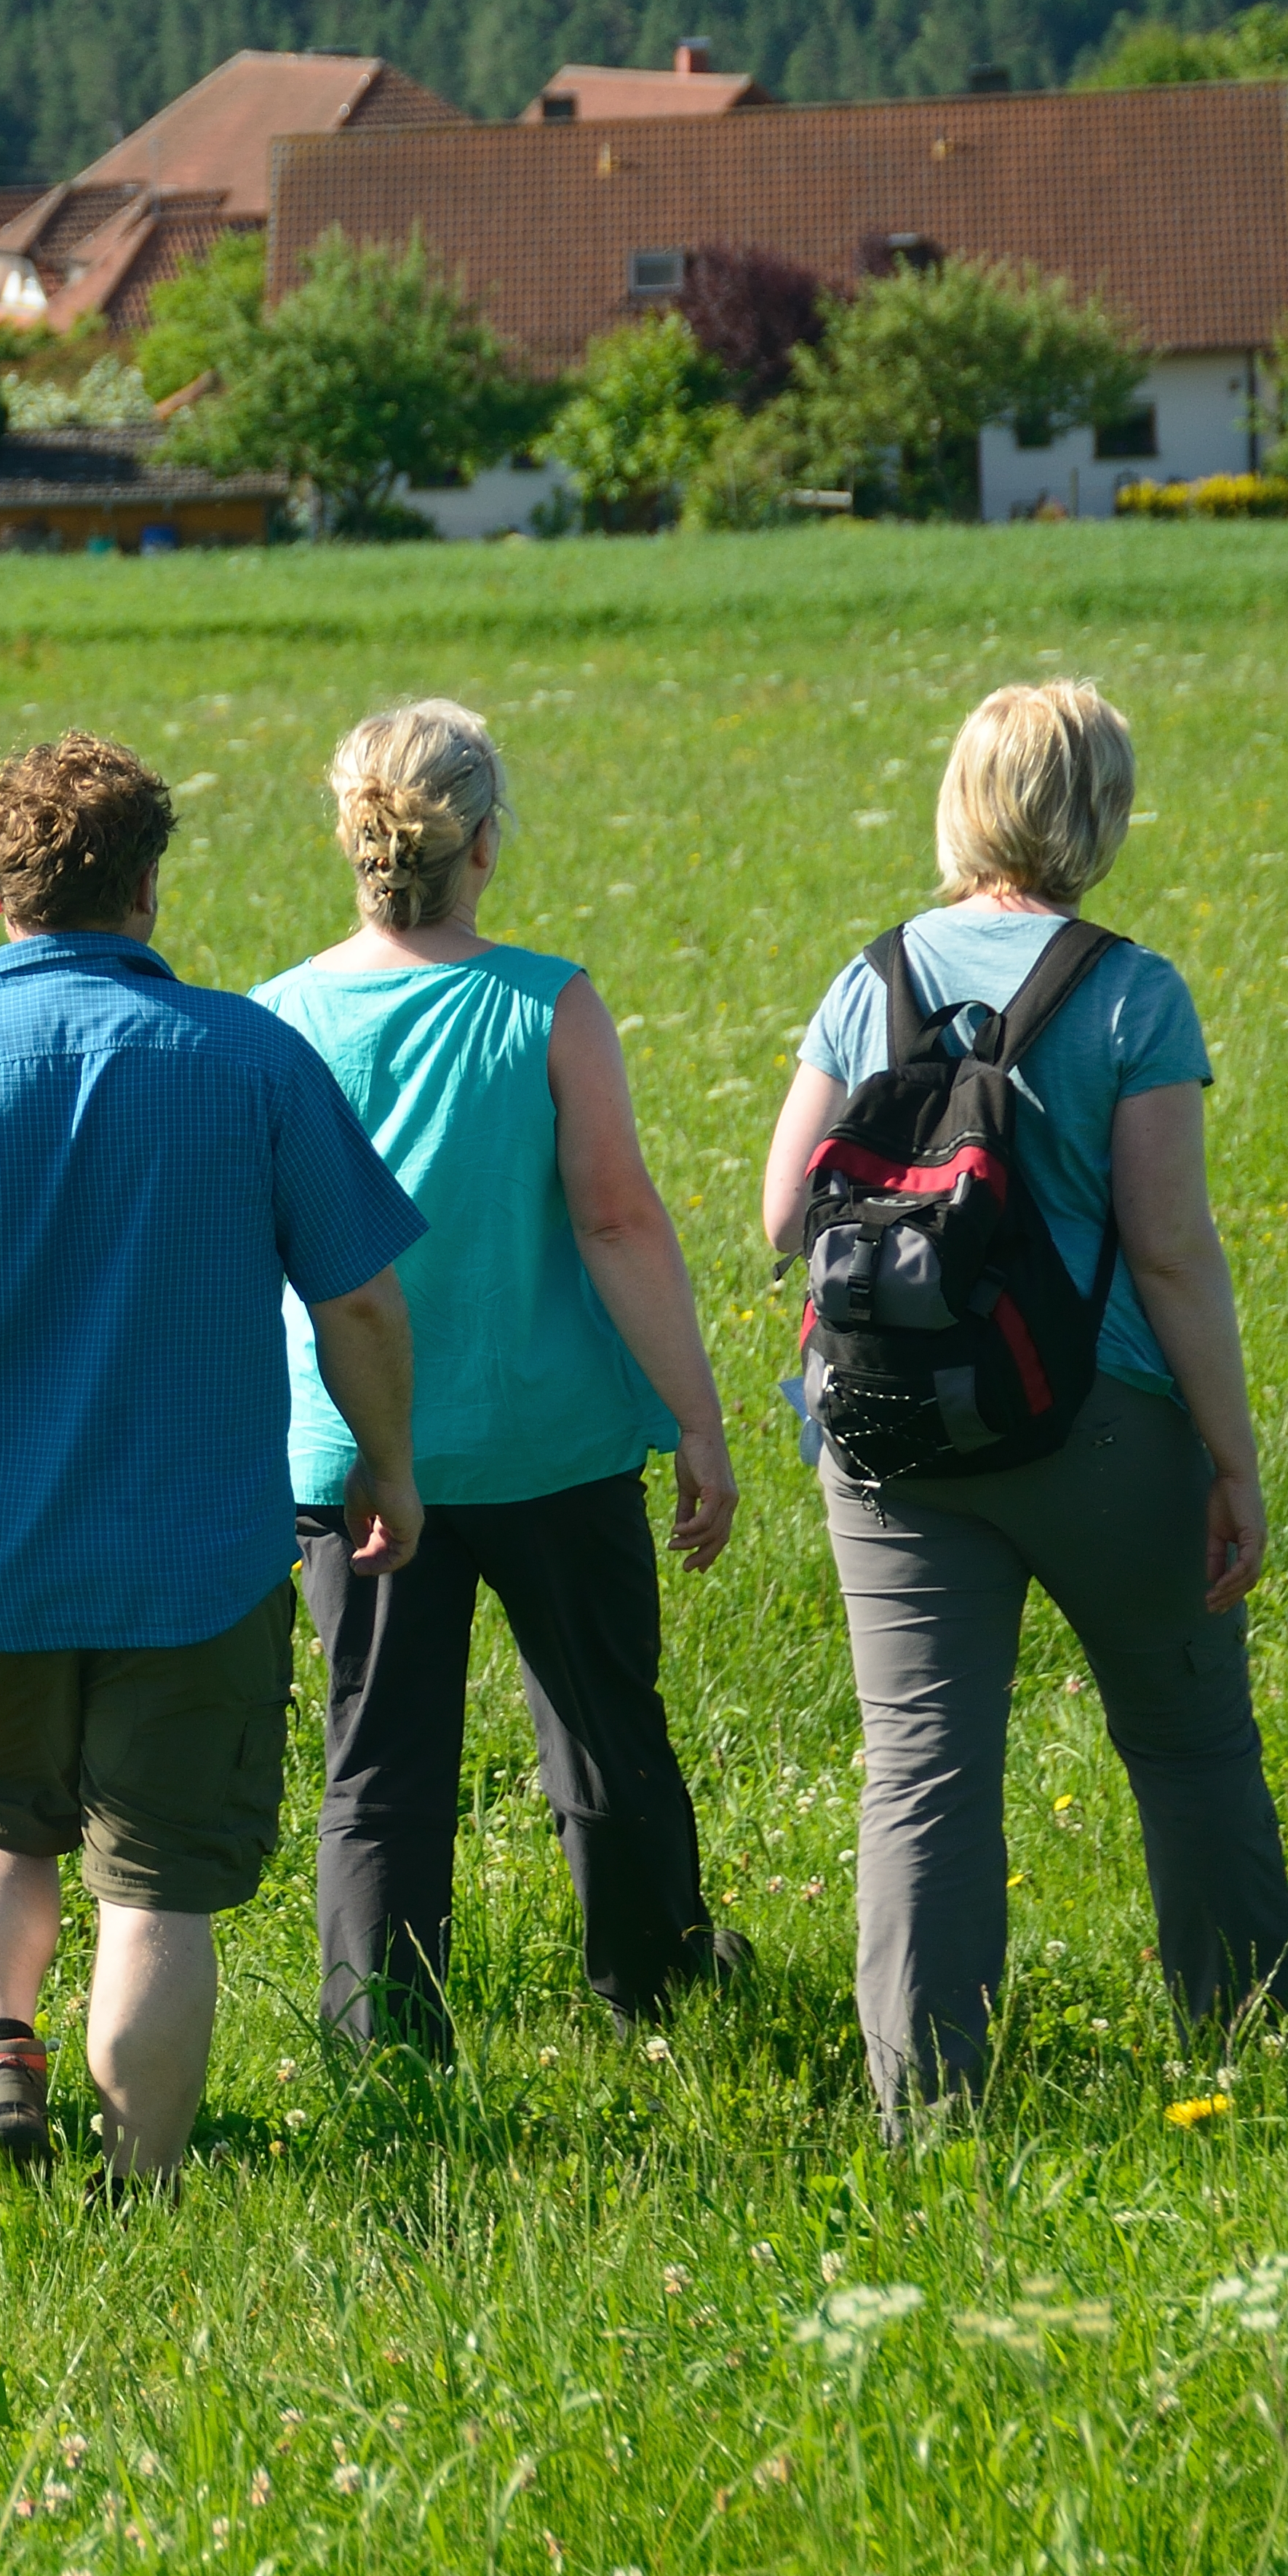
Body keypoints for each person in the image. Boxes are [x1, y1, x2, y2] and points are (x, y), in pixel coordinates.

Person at [0, 736, 426, 2210]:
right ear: (147, 888)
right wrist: (385, 1463)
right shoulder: (250, 1060)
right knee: (157, 1886)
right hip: (200, 1556)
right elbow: (360, 1300)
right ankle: (139, 2186)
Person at [757, 678, 1288, 2118]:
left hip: (883, 1426)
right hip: (1103, 1419)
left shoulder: (861, 977)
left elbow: (778, 1213)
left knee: (922, 1765)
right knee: (1185, 1741)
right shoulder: (1131, 990)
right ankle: (1252, 2050)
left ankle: (924, 2113)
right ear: (1099, 813)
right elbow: (1171, 1247)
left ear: (961, 799)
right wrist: (1231, 1459)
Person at [262, 701, 752, 2056]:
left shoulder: (278, 1018)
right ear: (483, 845)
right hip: (552, 1442)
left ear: (353, 843)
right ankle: (654, 1989)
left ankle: (381, 2042)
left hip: (353, 1454)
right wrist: (696, 1424)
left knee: (377, 1764)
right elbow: (616, 1222)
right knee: (607, 1731)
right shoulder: (546, 1002)